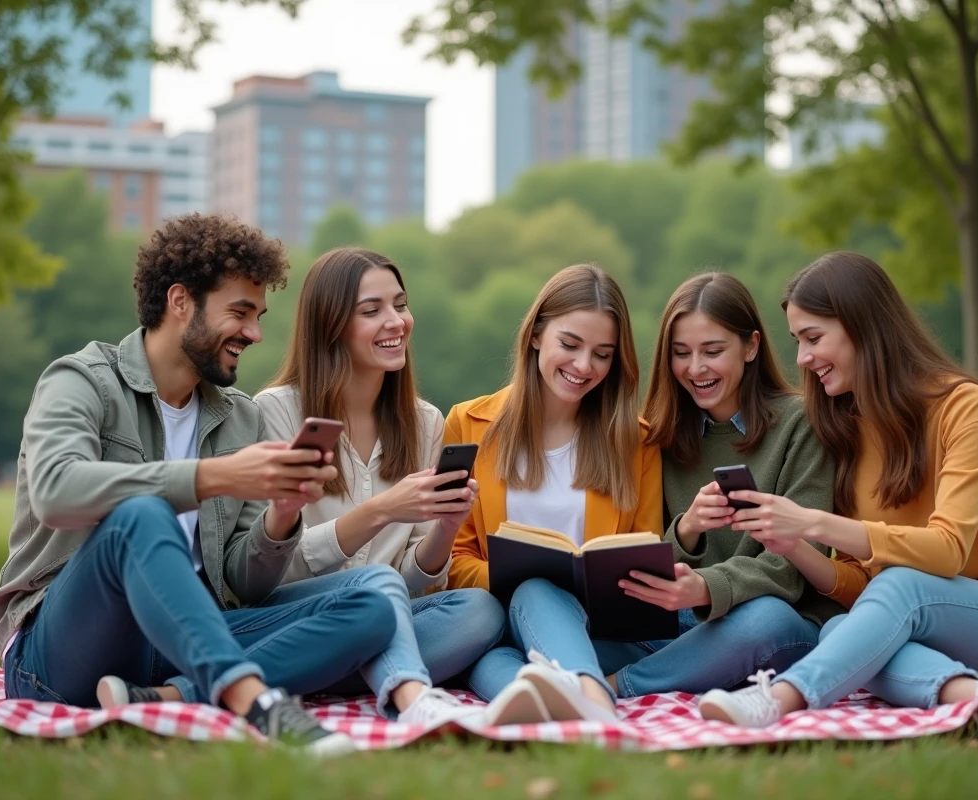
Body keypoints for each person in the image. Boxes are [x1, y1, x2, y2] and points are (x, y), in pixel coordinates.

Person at [0, 214, 398, 755]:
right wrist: (213, 477)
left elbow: (244, 584)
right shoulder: (81, 380)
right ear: (180, 302)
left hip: (182, 646)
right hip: (60, 651)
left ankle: (166, 697)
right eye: (240, 312)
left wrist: (282, 515)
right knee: (141, 515)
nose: (254, 333)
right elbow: (57, 492)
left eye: (259, 315)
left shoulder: (240, 418)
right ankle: (255, 701)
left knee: (370, 605)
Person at [695, 252, 978, 732]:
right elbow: (858, 582)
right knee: (837, 629)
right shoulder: (845, 427)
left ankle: (781, 698)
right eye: (797, 341)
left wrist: (812, 521)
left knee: (898, 587)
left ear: (863, 326)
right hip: (922, 628)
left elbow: (948, 552)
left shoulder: (962, 406)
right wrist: (793, 547)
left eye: (813, 338)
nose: (802, 359)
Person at [252, 247, 506, 727]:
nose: (396, 322)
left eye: (400, 305)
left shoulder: (424, 422)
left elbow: (414, 586)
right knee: (375, 584)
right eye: (372, 311)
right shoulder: (275, 412)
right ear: (331, 326)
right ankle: (410, 697)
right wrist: (382, 510)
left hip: (383, 618)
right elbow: (269, 571)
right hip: (299, 616)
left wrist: (446, 529)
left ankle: (322, 676)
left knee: (479, 611)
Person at [583, 273, 847, 702]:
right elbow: (653, 565)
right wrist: (687, 530)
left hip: (779, 621)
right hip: (685, 625)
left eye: (713, 351)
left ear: (751, 346)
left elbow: (797, 567)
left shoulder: (802, 423)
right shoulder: (659, 437)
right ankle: (646, 671)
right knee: (580, 629)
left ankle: (615, 688)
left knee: (765, 621)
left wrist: (706, 588)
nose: (696, 368)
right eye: (681, 353)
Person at [446, 264, 663, 725]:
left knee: (503, 661)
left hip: (596, 631)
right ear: (536, 335)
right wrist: (516, 580)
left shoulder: (635, 441)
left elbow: (643, 553)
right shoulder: (468, 424)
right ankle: (591, 703)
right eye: (570, 345)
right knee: (505, 638)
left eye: (602, 354)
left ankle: (578, 703)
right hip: (501, 626)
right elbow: (452, 557)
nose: (584, 366)